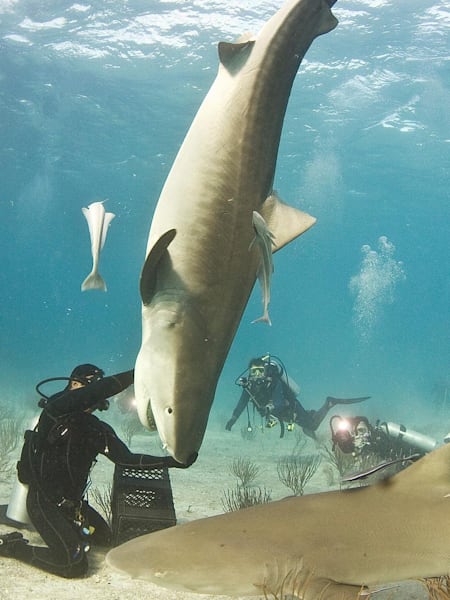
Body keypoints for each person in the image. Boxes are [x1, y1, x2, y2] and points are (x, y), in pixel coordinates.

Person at [0, 363, 195, 578]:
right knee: (72, 563)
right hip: (42, 502)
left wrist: (171, 461)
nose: (96, 395)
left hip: (72, 506)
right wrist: (141, 372)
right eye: (88, 387)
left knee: (105, 540)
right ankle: (12, 546)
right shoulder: (53, 413)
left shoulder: (95, 429)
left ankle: (29, 519)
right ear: (74, 384)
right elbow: (92, 393)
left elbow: (127, 459)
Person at [225, 355, 369, 438]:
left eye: (260, 371)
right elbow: (242, 403)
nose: (257, 376)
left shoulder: (274, 381)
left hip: (291, 408)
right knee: (307, 428)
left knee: (312, 426)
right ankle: (311, 416)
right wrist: (233, 419)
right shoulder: (249, 387)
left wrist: (268, 409)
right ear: (249, 373)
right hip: (280, 415)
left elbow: (279, 402)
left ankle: (329, 403)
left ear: (265, 371)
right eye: (254, 372)